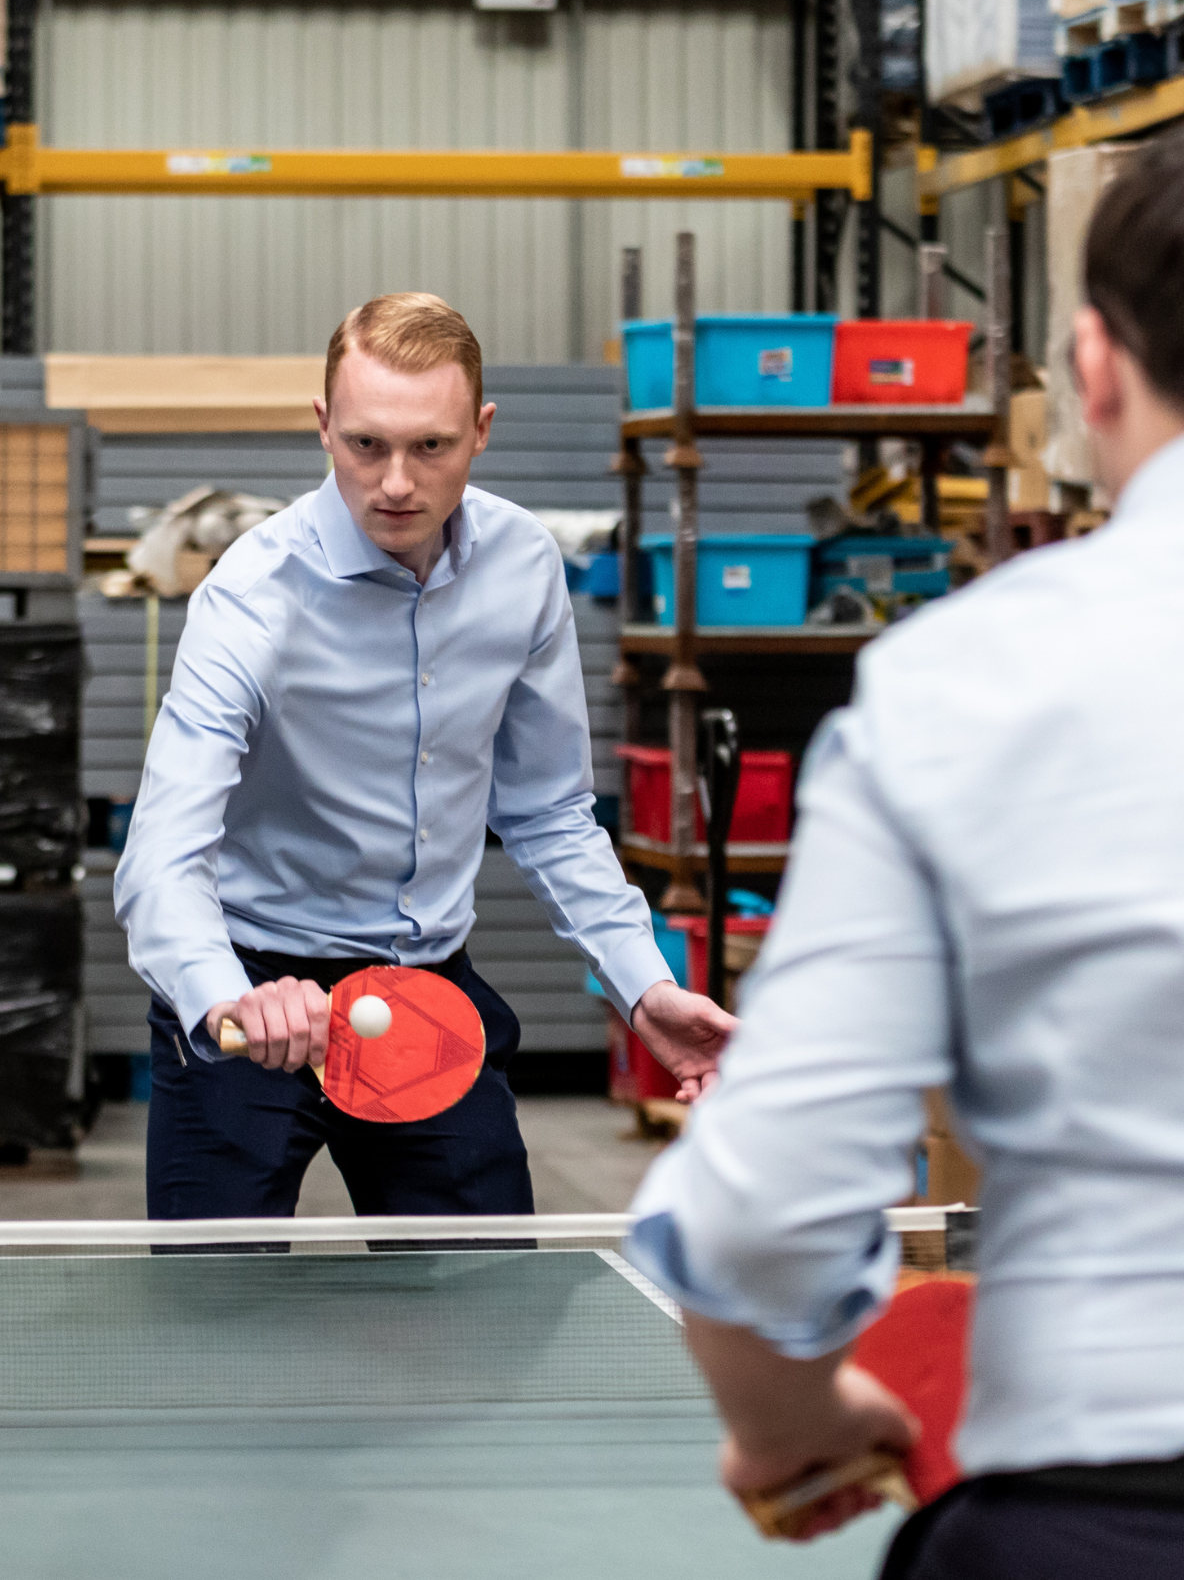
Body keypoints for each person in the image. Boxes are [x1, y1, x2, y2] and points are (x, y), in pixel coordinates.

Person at [625, 107, 1184, 1577]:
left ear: (1093, 372)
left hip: (1104, 1514)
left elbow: (766, 1205)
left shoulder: (962, 685)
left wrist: (790, 1420)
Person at [114, 291, 733, 1223]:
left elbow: (550, 812)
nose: (396, 482)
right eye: (366, 444)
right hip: (254, 987)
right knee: (215, 1303)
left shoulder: (523, 567)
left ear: (481, 431)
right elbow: (161, 856)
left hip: (427, 996)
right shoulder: (250, 596)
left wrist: (645, 986)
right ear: (324, 426)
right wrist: (225, 997)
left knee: (480, 1294)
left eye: (431, 446)